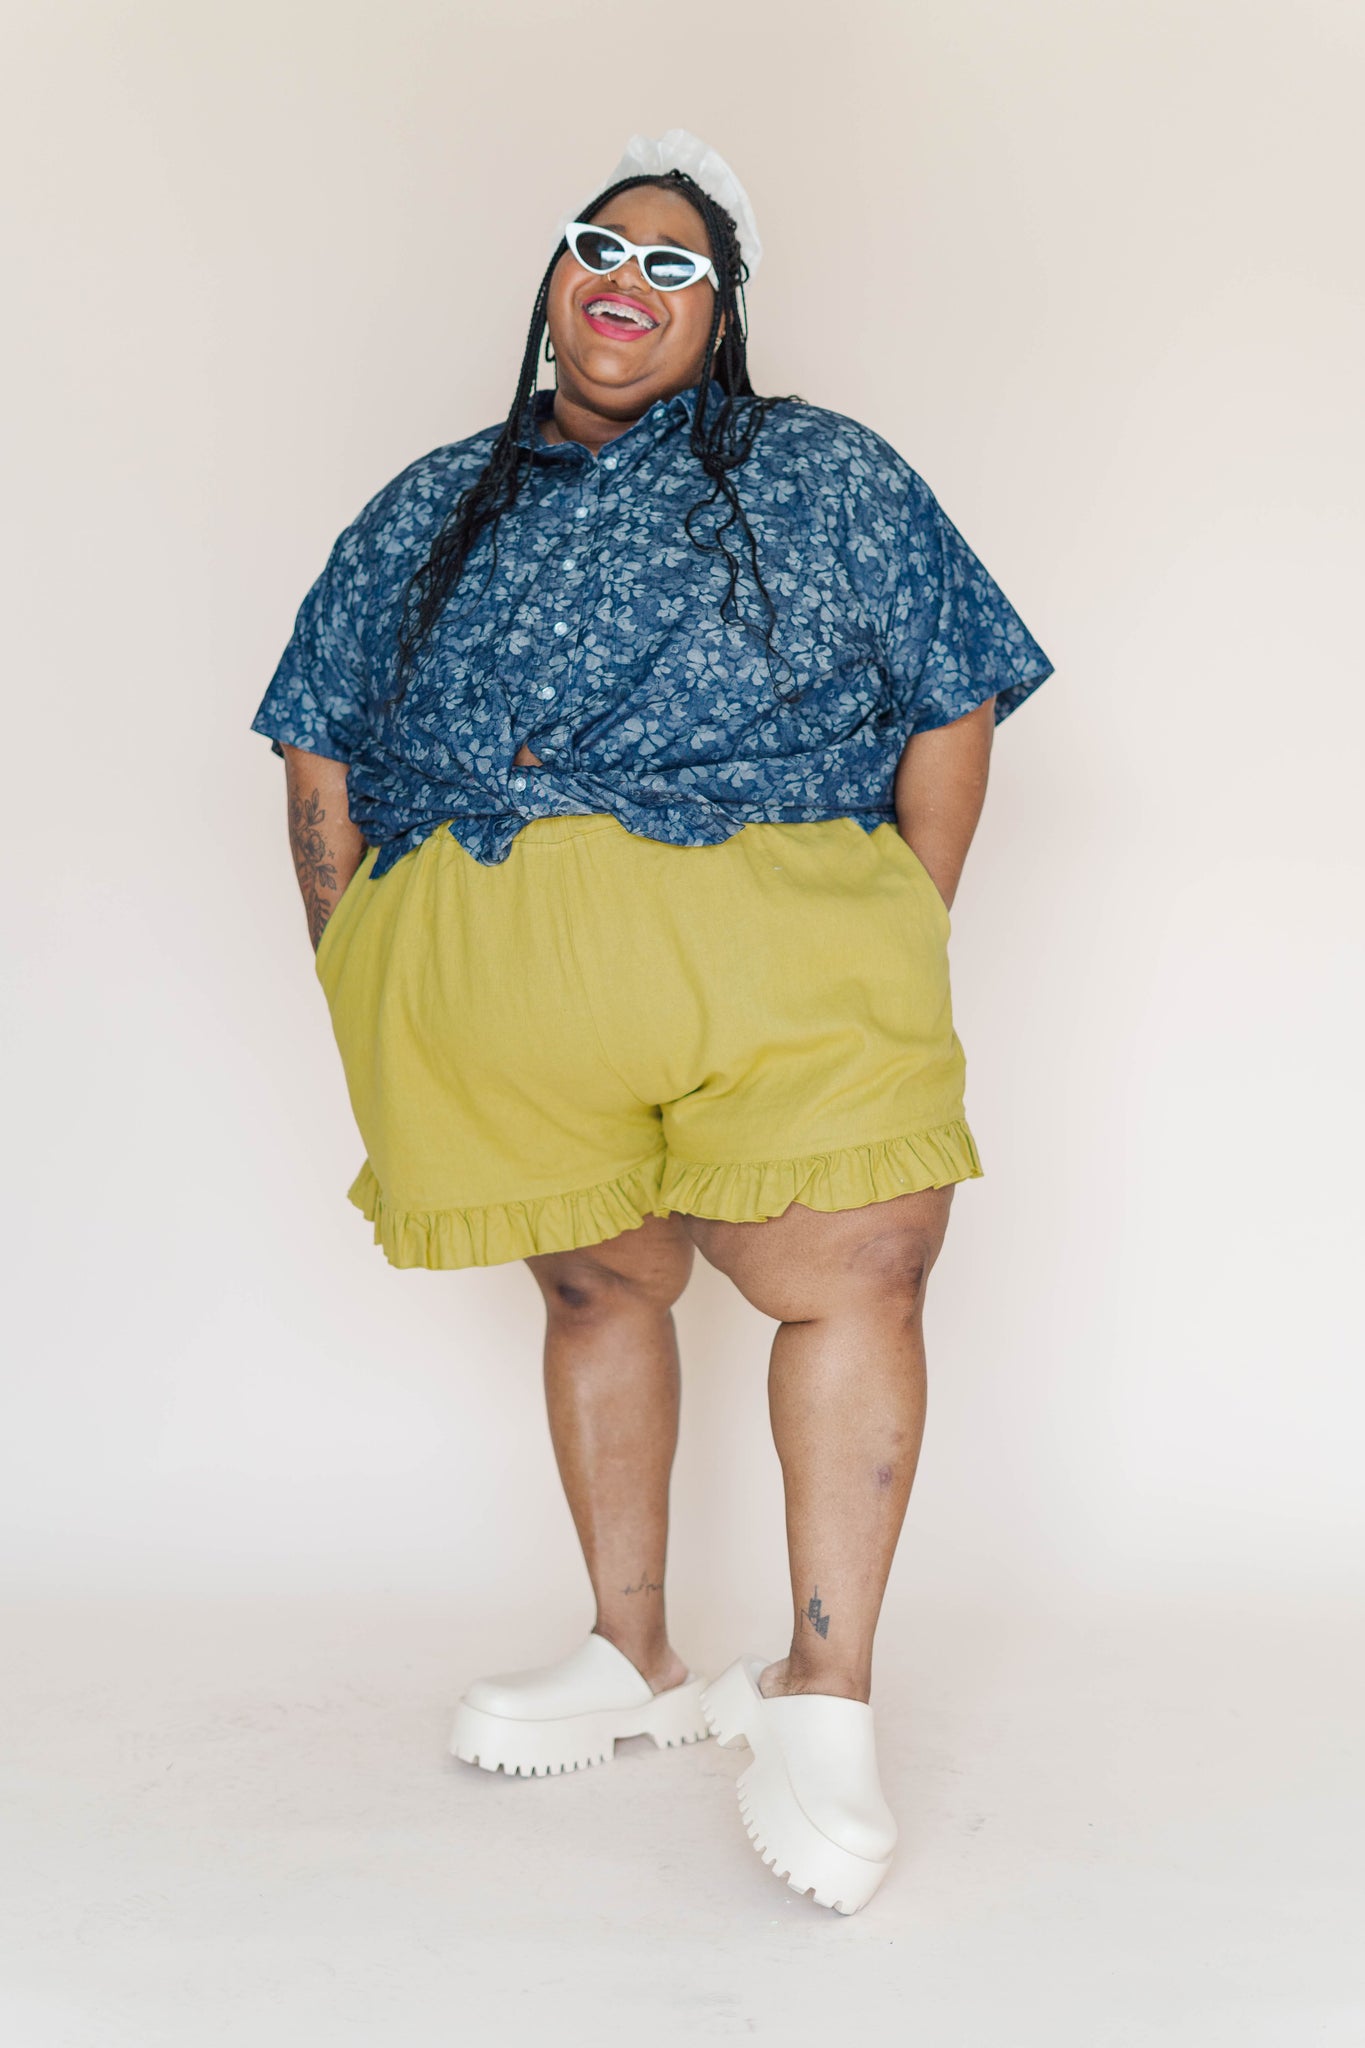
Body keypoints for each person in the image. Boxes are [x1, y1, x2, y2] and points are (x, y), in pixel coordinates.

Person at [251, 130, 1054, 1915]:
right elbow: (316, 722)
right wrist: (358, 956)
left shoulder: (821, 473)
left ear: (722, 311)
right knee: (596, 1289)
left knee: (855, 1271)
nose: (626, 277)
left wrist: (894, 924)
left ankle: (821, 1691)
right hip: (492, 988)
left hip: (782, 958)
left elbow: (954, 689)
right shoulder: (432, 500)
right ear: (553, 280)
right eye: (596, 246)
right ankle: (631, 1653)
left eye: (674, 261)